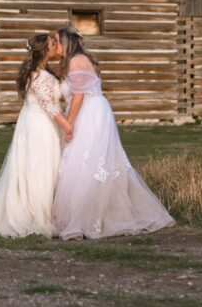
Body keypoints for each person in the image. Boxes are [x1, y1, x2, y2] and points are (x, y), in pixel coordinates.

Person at [49, 26, 175, 239]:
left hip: (90, 113)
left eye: (57, 42)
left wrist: (68, 124)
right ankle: (93, 213)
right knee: (88, 162)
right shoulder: (77, 60)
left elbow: (78, 96)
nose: (55, 46)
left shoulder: (75, 61)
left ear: (66, 43)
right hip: (92, 110)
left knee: (88, 162)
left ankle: (90, 217)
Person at [0, 34, 73, 237]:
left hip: (42, 124)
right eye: (52, 44)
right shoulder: (38, 76)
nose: (55, 46)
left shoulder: (43, 72)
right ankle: (35, 213)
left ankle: (48, 210)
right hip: (38, 126)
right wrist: (67, 126)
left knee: (47, 166)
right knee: (38, 168)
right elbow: (49, 106)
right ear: (43, 50)